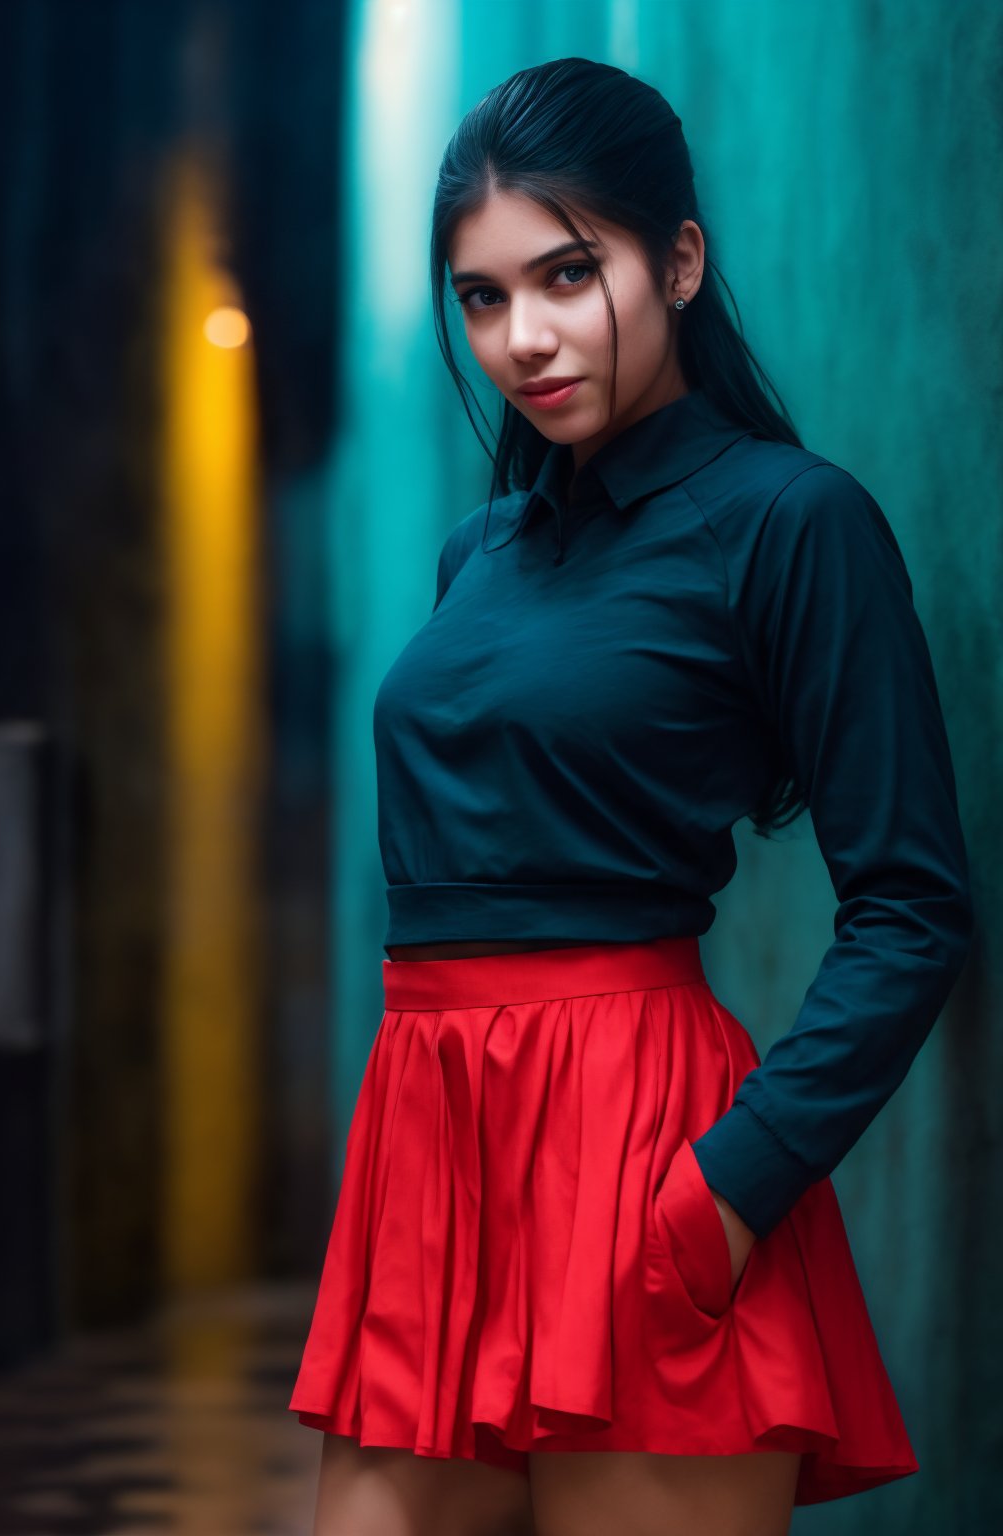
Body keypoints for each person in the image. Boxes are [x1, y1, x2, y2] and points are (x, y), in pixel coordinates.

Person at [288, 58, 974, 1536]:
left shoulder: (792, 524)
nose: (522, 339)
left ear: (678, 259)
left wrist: (725, 1197)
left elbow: (915, 908)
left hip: (640, 1154)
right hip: (434, 1146)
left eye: (566, 274)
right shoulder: (478, 558)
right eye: (481, 297)